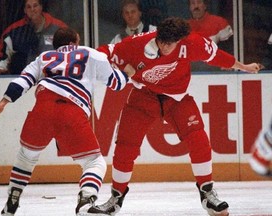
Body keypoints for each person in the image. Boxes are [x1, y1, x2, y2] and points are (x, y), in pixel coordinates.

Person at [96, 17, 261, 216]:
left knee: (199, 140)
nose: (165, 47)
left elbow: (217, 57)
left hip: (177, 99)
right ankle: (116, 198)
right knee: (125, 147)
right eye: (162, 42)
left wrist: (243, 67)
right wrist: (86, 59)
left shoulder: (192, 42)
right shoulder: (137, 43)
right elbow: (106, 52)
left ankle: (207, 194)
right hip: (143, 96)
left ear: (180, 40)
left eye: (170, 43)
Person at [0, 27, 135, 216]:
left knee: (26, 157)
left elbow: (24, 80)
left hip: (42, 108)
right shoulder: (91, 53)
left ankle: (13, 198)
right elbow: (116, 83)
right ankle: (85, 200)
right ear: (75, 42)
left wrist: (5, 100)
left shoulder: (44, 57)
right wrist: (127, 73)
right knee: (94, 162)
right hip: (71, 110)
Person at [0, 0, 67, 75]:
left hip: (52, 78)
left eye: (35, 6)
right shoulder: (14, 31)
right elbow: (2, 54)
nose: (32, 9)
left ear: (41, 7)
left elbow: (70, 51)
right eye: (28, 7)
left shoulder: (59, 28)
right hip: (24, 78)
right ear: (25, 10)